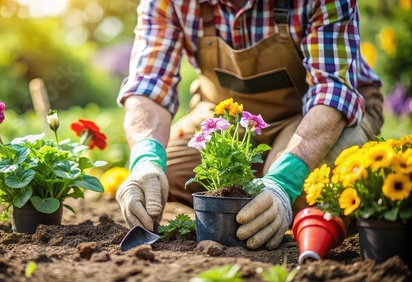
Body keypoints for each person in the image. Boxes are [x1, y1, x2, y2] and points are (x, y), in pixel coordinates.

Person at [115, 0, 383, 250]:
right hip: (227, 112)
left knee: (311, 193)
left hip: (314, 115)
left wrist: (283, 181)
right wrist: (146, 160)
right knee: (165, 176)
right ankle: (256, 184)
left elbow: (331, 91)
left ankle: (269, 180)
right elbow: (149, 85)